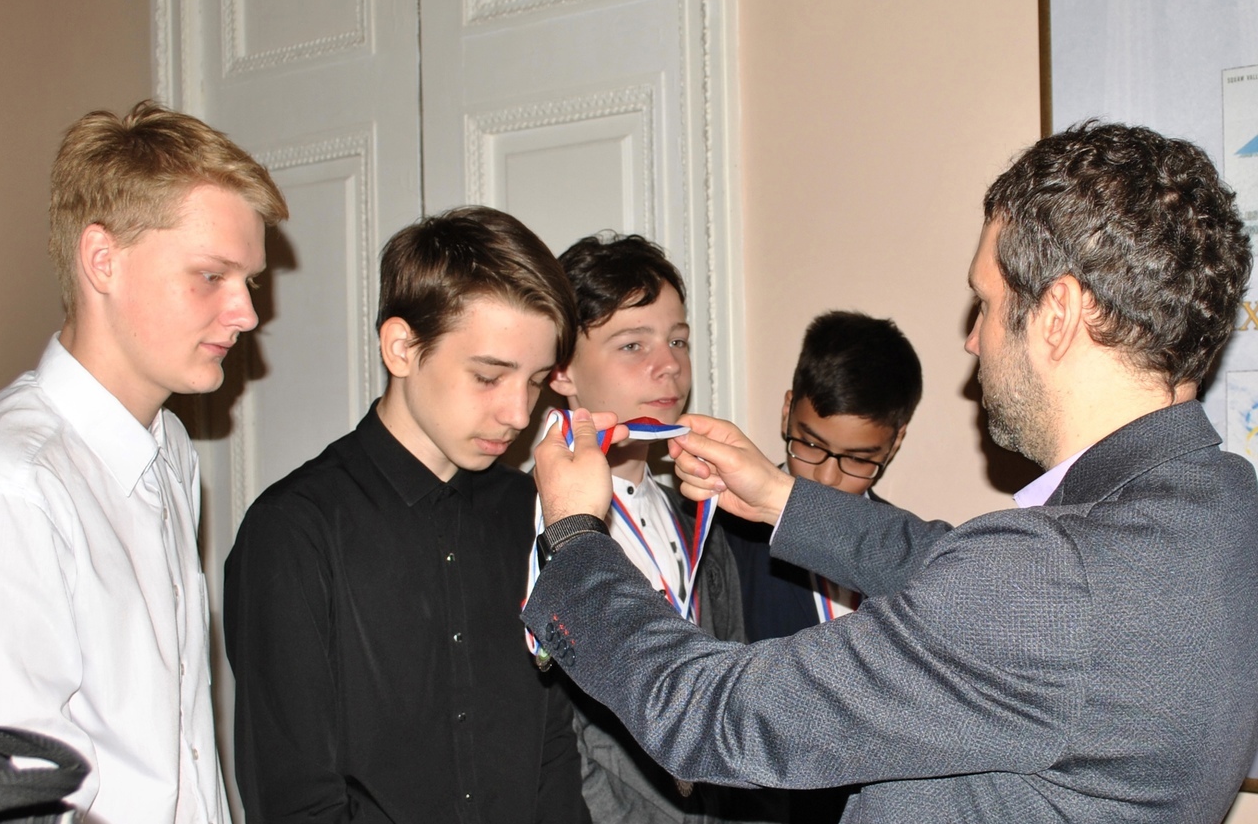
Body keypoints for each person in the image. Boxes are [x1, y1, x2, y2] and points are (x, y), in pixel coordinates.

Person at [522, 122, 1258, 822]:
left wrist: (578, 538)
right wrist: (781, 496)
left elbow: (718, 717)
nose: (972, 340)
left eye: (986, 304)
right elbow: (951, 567)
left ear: (1058, 313)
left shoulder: (1049, 582)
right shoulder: (1222, 501)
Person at [224, 206, 589, 823]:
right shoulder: (293, 532)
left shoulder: (529, 511)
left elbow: (551, 749)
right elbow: (293, 796)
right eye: (489, 377)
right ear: (401, 348)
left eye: (534, 382)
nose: (518, 414)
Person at [0, 100, 288, 822]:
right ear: (102, 260)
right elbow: (27, 793)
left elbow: (179, 744)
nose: (247, 314)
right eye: (210, 275)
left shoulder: (169, 447)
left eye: (248, 281)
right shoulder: (11, 483)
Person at [542, 232, 754, 823]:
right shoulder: (530, 529)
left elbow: (734, 694)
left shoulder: (703, 523)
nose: (670, 365)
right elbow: (548, 733)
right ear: (562, 370)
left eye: (677, 339)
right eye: (633, 344)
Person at [725, 311, 922, 643]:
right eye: (811, 445)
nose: (827, 477)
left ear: (896, 441)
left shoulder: (904, 552)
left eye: (857, 459)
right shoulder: (725, 537)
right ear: (788, 411)